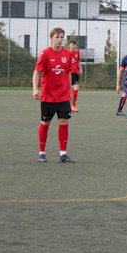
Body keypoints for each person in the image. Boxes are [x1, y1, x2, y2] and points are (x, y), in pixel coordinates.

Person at [33, 27, 75, 163]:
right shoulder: (45, 53)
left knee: (64, 121)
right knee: (45, 122)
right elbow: (37, 72)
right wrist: (35, 89)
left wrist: (70, 92)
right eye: (57, 37)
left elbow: (68, 73)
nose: (60, 39)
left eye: (62, 37)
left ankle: (63, 153)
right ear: (51, 38)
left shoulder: (68, 54)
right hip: (48, 96)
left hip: (63, 95)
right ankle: (42, 152)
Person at [68, 39, 84, 112]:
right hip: (69, 74)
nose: (73, 46)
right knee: (72, 89)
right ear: (69, 45)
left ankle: (72, 105)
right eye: (72, 44)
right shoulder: (67, 53)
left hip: (75, 73)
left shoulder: (77, 52)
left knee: (75, 89)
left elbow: (78, 61)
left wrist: (80, 68)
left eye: (74, 44)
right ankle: (72, 105)